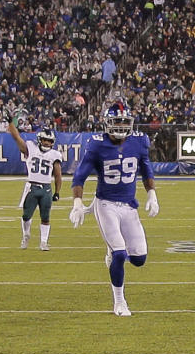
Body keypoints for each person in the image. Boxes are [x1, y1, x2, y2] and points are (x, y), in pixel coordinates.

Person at [69, 102, 160, 316]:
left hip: (129, 206)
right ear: (107, 123)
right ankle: (119, 302)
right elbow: (79, 176)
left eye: (123, 121)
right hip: (106, 204)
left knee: (139, 259)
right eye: (116, 121)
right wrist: (77, 202)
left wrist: (152, 193)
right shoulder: (96, 144)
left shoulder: (138, 141)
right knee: (120, 254)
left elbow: (146, 168)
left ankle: (112, 250)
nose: (120, 126)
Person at [8, 113, 63, 251]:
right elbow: (16, 137)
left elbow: (58, 175)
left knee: (45, 216)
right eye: (45, 140)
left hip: (46, 188)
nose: (47, 143)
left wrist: (57, 192)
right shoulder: (30, 148)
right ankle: (26, 235)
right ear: (40, 140)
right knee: (26, 215)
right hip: (31, 186)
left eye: (49, 141)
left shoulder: (54, 155)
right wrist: (10, 122)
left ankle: (44, 242)